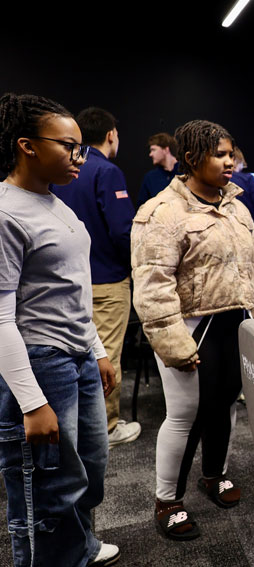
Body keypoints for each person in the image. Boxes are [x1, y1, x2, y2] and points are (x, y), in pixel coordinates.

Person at [131, 119, 254, 541]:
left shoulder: (238, 206)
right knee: (184, 416)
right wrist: (172, 341)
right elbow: (153, 285)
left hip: (237, 323)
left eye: (231, 154)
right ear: (193, 158)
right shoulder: (161, 212)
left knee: (225, 406)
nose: (229, 162)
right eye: (220, 154)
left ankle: (214, 475)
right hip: (191, 327)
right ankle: (168, 501)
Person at [0, 93, 120, 566]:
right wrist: (32, 402)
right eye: (68, 146)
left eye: (82, 147)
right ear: (27, 146)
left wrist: (99, 350)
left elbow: (73, 291)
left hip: (78, 355)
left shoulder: (56, 204)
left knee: (88, 472)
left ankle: (80, 550)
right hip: (41, 360)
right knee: (45, 486)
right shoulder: (7, 212)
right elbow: (1, 317)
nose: (79, 156)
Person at [52, 107, 141, 448]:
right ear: (110, 135)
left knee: (72, 356)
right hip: (106, 280)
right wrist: (131, 265)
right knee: (106, 358)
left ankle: (74, 425)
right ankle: (105, 428)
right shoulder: (107, 171)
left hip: (66, 278)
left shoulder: (62, 169)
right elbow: (122, 231)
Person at [136, 132, 179, 208]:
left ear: (166, 150)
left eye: (153, 150)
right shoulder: (150, 178)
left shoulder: (187, 173)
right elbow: (141, 207)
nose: (150, 154)